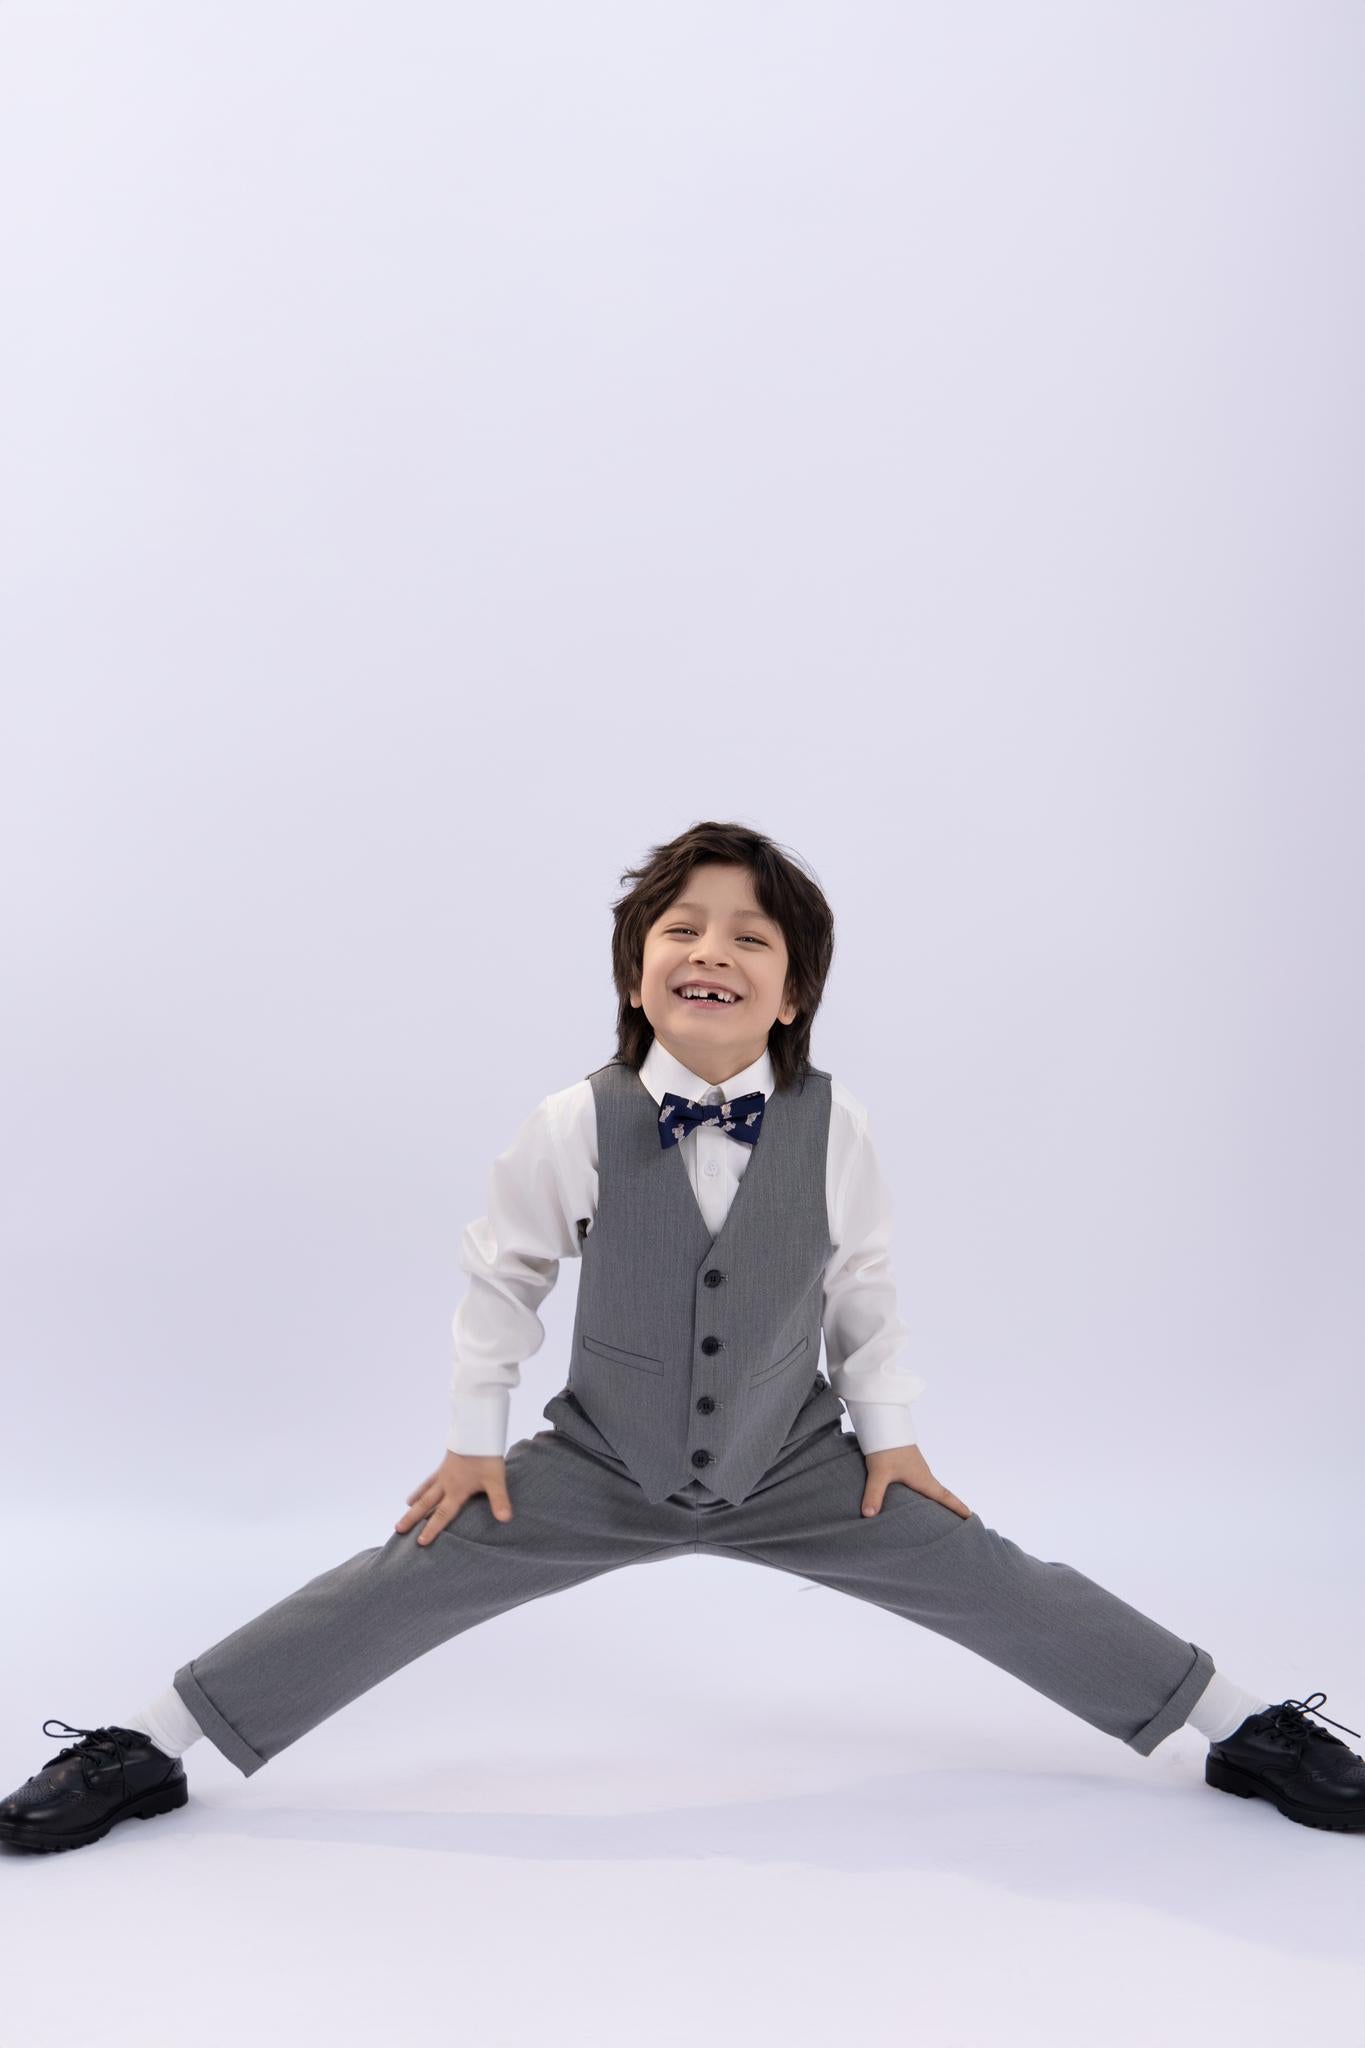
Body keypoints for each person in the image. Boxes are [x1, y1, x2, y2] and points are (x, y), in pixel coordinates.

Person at [4, 819, 1362, 1854]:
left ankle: (1240, 1728)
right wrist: (474, 1445)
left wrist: (889, 1439)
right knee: (391, 1579)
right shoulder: (570, 1122)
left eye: (749, 938)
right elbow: (503, 1277)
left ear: (790, 996)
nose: (710, 950)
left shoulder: (838, 1127)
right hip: (599, 1465)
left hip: (796, 1466)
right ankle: (149, 1745)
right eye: (681, 929)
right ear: (636, 968)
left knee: (1005, 1581)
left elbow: (864, 1287)